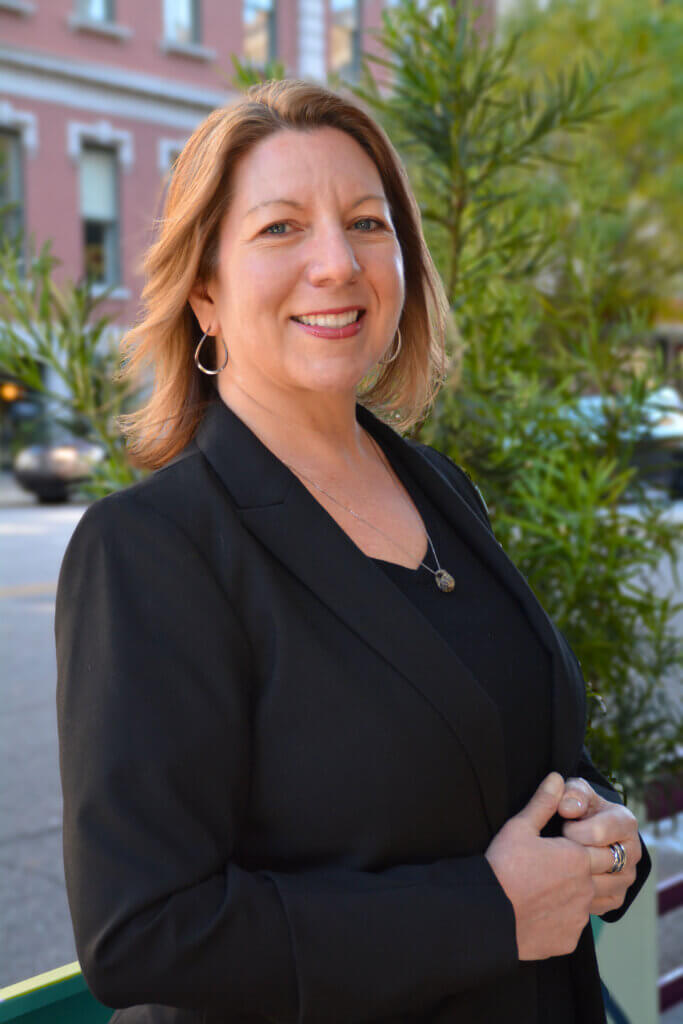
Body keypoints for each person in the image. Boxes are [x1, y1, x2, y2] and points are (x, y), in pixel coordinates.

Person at [56, 79, 650, 1024]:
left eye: (367, 223)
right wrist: (484, 914)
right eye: (281, 229)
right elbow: (146, 933)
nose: (337, 263)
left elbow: (529, 758)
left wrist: (609, 843)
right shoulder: (152, 549)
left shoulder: (439, 490)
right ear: (203, 290)